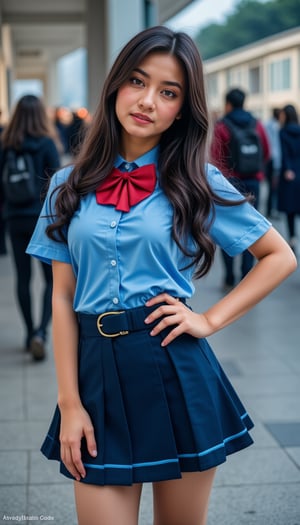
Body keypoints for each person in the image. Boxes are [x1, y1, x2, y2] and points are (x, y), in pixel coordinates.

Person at [26, 26, 296, 525]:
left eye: (168, 92)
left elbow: (280, 256)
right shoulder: (66, 185)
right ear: (114, 87)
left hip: (176, 365)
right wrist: (69, 403)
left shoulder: (195, 180)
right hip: (96, 374)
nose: (148, 100)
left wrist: (209, 320)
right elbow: (61, 298)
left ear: (182, 108)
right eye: (136, 81)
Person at [0, 95, 61, 360]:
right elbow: (57, 184)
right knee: (51, 279)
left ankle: (28, 333)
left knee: (22, 278)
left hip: (15, 218)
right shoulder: (47, 143)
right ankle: (41, 333)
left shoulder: (6, 144)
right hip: (43, 219)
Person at [211, 87, 270, 291]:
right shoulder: (256, 124)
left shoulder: (222, 126)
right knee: (251, 228)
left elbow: (216, 156)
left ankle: (229, 277)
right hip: (253, 181)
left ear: (228, 103)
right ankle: (247, 275)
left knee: (227, 228)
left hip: (229, 183)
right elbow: (266, 151)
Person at [277, 104, 300, 255]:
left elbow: (284, 154)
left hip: (289, 174)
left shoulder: (283, 132)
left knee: (290, 212)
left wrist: (287, 169)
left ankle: (292, 239)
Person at [264, 108, 282, 218]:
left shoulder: (267, 124)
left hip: (269, 160)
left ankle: (269, 210)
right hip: (275, 161)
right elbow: (276, 146)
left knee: (271, 187)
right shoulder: (276, 126)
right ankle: (272, 210)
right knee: (274, 188)